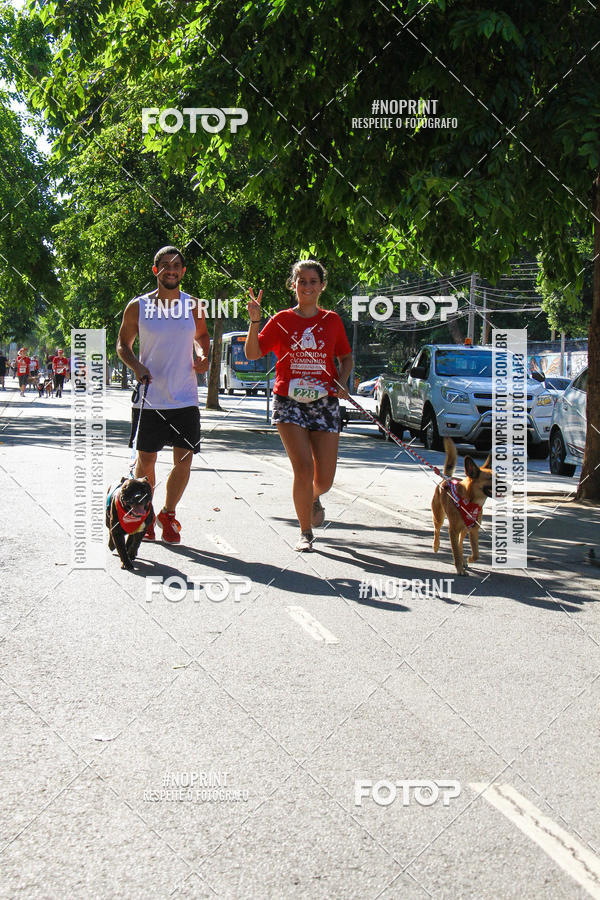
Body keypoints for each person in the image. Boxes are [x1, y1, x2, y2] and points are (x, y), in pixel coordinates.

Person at [245, 259, 353, 551]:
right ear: (293, 285)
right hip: (288, 402)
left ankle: (312, 496)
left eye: (312, 281)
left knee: (325, 479)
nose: (307, 286)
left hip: (325, 402)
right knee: (303, 469)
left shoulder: (332, 321)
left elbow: (346, 357)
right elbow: (253, 352)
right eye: (301, 281)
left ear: (322, 286)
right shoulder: (281, 319)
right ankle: (305, 532)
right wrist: (256, 322)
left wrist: (342, 380)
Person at [116, 245, 210, 543]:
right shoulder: (138, 306)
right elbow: (122, 344)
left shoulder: (194, 305)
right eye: (165, 265)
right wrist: (136, 364)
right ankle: (147, 513)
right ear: (156, 270)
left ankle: (168, 514)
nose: (171, 270)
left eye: (177, 266)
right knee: (146, 463)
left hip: (185, 397)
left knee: (184, 460)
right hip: (150, 397)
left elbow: (202, 337)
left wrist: (203, 354)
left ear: (182, 271)